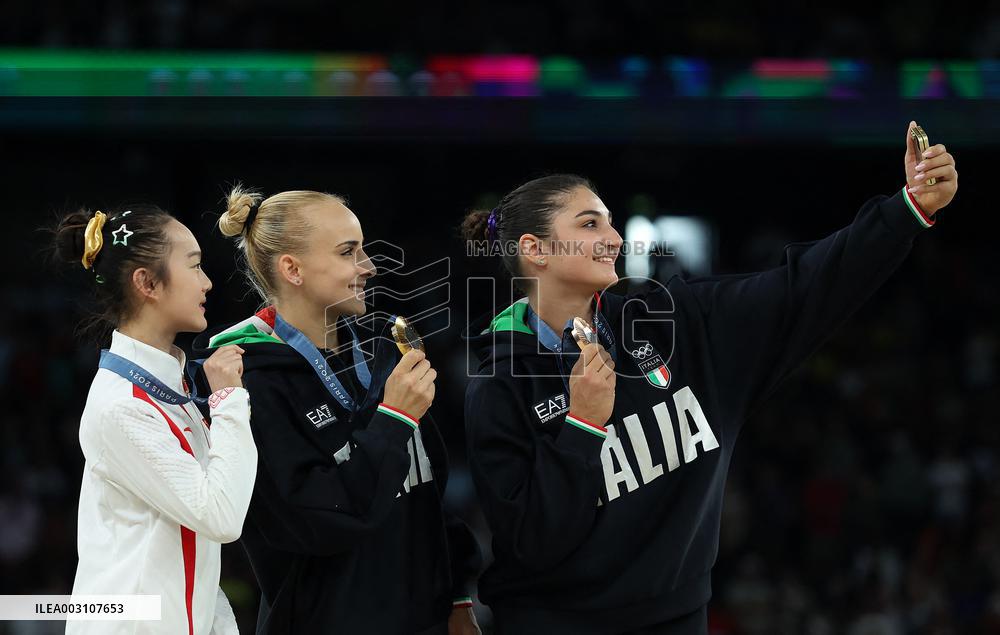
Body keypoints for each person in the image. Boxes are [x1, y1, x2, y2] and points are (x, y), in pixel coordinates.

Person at [460, 122, 958, 634]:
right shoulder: (499, 383)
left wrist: (905, 212)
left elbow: (800, 288)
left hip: (679, 618)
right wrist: (583, 426)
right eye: (589, 224)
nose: (612, 237)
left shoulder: (676, 319)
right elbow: (531, 545)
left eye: (610, 223)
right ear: (536, 250)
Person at [194, 187, 481, 634]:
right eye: (349, 252)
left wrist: (457, 594)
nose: (368, 266)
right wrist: (394, 421)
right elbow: (315, 523)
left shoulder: (387, 349)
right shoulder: (246, 383)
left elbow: (427, 489)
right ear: (293, 268)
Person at [51, 204, 257, 634]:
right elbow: (220, 517)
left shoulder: (169, 383)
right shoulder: (121, 404)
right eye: (195, 266)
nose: (208, 282)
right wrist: (229, 399)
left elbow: (187, 544)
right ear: (146, 283)